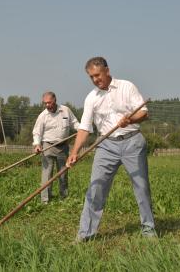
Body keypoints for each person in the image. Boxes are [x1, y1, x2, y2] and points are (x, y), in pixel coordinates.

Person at [67, 57, 156, 242]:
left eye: (97, 75)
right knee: (96, 187)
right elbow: (84, 128)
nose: (95, 80)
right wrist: (74, 152)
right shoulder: (92, 98)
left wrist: (130, 119)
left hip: (132, 142)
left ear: (107, 70)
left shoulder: (127, 87)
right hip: (106, 145)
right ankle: (85, 234)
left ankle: (148, 229)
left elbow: (143, 113)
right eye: (91, 77)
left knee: (141, 186)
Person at [33, 91, 79, 204]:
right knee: (47, 174)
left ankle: (64, 197)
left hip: (63, 147)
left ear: (55, 100)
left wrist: (82, 130)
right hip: (48, 146)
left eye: (49, 102)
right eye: (45, 103)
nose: (47, 105)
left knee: (63, 173)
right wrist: (37, 144)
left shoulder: (65, 110)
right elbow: (37, 132)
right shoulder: (43, 116)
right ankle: (45, 200)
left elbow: (75, 123)